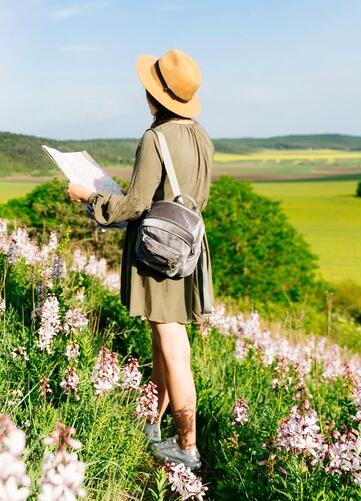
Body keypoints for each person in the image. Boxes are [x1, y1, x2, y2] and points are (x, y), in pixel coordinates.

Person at [67, 48, 214, 470]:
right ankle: (152, 421)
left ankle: (187, 448)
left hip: (159, 252)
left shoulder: (155, 138)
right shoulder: (201, 135)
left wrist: (89, 196)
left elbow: (134, 205)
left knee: (173, 345)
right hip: (187, 246)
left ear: (157, 98)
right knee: (162, 341)